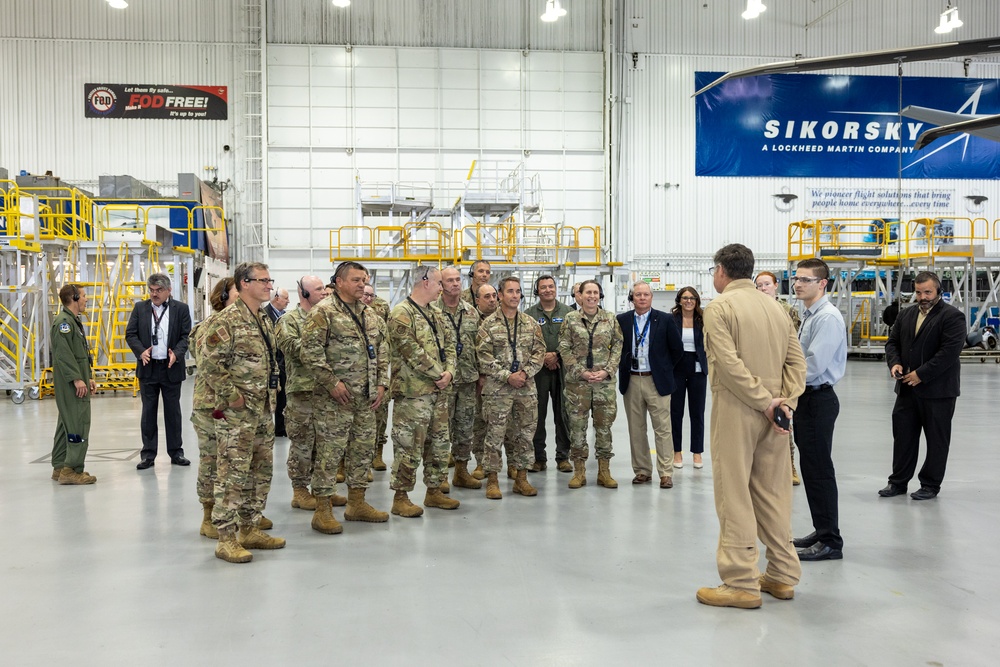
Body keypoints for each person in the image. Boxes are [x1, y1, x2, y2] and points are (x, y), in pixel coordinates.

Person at [696, 244, 806, 609]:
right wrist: (783, 403)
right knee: (773, 492)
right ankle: (782, 574)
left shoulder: (719, 308)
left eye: (714, 270)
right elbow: (796, 363)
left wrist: (763, 401)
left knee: (734, 492)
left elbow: (728, 365)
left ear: (722, 271)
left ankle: (741, 580)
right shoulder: (776, 308)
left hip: (738, 410)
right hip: (776, 417)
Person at [200, 262, 286, 563]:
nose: (268, 285)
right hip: (238, 413)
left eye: (269, 279)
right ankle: (226, 537)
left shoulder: (262, 317)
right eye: (262, 280)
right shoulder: (227, 320)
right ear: (244, 284)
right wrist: (231, 396)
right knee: (232, 473)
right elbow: (209, 363)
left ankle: (250, 528)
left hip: (262, 410)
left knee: (260, 471)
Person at [301, 261, 390, 533]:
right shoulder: (323, 313)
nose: (362, 284)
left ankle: (357, 503)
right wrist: (332, 382)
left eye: (364, 279)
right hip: (334, 400)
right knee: (330, 454)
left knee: (362, 451)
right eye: (355, 280)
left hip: (366, 398)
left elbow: (384, 350)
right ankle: (323, 510)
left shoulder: (370, 314)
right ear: (338, 282)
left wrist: (382, 385)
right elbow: (310, 352)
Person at [191, 277, 274, 539]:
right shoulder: (214, 325)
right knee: (214, 462)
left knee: (244, 462)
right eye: (236, 291)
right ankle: (210, 516)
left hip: (241, 407)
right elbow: (210, 365)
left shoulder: (257, 322)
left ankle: (244, 515)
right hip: (212, 405)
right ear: (224, 296)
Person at [879, 271, 966, 501]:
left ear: (939, 291)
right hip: (907, 389)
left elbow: (948, 353)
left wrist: (921, 374)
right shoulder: (906, 314)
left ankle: (930, 484)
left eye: (928, 292)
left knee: (937, 440)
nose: (923, 297)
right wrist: (895, 363)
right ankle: (898, 482)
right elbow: (893, 343)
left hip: (938, 392)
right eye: (918, 292)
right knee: (903, 437)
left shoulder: (952, 317)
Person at [387, 266, 460, 516]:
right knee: (409, 445)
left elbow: (451, 345)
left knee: (439, 444)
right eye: (440, 283)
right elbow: (411, 351)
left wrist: (450, 371)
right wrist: (440, 373)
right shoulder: (401, 314)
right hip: (413, 393)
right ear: (425, 281)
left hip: (438, 392)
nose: (443, 288)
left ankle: (434, 490)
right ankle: (401, 496)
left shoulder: (436, 314)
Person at [789, 258, 848, 562]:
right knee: (812, 470)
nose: (798, 284)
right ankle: (822, 529)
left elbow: (812, 366)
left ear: (822, 283)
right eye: (796, 278)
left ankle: (830, 542)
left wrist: (781, 383)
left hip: (817, 398)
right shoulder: (810, 314)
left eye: (805, 279)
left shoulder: (827, 318)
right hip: (808, 399)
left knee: (820, 471)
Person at [276, 276, 343, 513]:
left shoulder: (329, 317)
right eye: (318, 290)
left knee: (326, 443)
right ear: (303, 294)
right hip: (302, 391)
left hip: (326, 391)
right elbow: (295, 349)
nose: (325, 293)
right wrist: (321, 344)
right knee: (303, 443)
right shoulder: (288, 320)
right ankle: (300, 490)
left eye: (324, 289)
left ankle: (322, 489)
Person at [476, 276, 546, 499]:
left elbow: (539, 352)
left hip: (525, 389)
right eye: (510, 291)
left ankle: (521, 478)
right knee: (494, 435)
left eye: (518, 291)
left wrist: (524, 374)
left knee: (525, 435)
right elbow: (483, 357)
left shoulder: (530, 323)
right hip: (498, 391)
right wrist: (508, 376)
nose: (515, 295)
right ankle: (493, 480)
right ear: (500, 295)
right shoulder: (488, 325)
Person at [558, 280, 624, 490]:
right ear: (581, 295)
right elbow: (564, 348)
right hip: (578, 385)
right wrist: (582, 372)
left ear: (600, 295)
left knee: (604, 428)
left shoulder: (610, 319)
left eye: (595, 292)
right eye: (588, 292)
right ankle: (579, 472)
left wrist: (607, 371)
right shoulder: (570, 319)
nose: (592, 296)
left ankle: (604, 471)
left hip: (604, 384)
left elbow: (618, 346)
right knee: (577, 429)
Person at [617, 281, 683, 488]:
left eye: (646, 294)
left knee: (663, 428)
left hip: (657, 381)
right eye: (638, 295)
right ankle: (642, 471)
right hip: (632, 379)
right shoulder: (622, 320)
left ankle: (665, 472)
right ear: (632, 298)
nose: (642, 298)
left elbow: (677, 350)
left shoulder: (665, 320)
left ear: (651, 297)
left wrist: (663, 369)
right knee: (636, 429)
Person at [126, 273, 192, 470]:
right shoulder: (140, 308)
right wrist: (140, 352)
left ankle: (176, 452)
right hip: (148, 367)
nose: (154, 294)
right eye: (152, 291)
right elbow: (131, 334)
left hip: (171, 367)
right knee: (148, 413)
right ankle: (148, 454)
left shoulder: (181, 309)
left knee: (173, 412)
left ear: (168, 291)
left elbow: (185, 336)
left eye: (159, 291)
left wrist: (177, 354)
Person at [756, 270, 803, 485]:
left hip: (781, 373)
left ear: (775, 286)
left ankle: (789, 465)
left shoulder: (787, 311)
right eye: (759, 285)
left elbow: (792, 346)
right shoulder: (753, 310)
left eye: (766, 284)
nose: (763, 288)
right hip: (759, 372)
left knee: (783, 420)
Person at [439, 266, 483, 490]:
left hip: (467, 379)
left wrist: (480, 375)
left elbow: (479, 346)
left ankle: (461, 472)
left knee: (465, 428)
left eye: (458, 280)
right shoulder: (432, 311)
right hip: (442, 382)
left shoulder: (471, 312)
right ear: (441, 284)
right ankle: (438, 477)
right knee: (440, 430)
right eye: (450, 280)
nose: (455, 284)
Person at [50, 284, 98, 485]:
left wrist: (87, 377)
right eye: (84, 296)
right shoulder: (64, 324)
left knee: (66, 422)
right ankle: (72, 469)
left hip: (76, 379)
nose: (87, 299)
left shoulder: (72, 321)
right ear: (74, 298)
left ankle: (60, 465)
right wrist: (77, 380)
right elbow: (64, 355)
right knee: (78, 421)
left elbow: (78, 354)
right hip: (71, 382)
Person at [525, 275, 573, 473]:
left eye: (550, 286)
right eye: (543, 287)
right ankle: (539, 458)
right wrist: (543, 357)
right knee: (538, 415)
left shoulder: (569, 313)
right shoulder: (528, 315)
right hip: (538, 372)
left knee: (563, 414)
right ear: (537, 291)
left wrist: (558, 356)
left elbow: (573, 340)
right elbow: (524, 342)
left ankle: (563, 457)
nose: (547, 290)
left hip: (563, 370)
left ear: (556, 288)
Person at [670, 287, 709, 472]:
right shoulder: (672, 319)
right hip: (677, 367)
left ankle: (697, 452)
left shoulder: (703, 319)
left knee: (697, 412)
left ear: (697, 300)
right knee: (676, 412)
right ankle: (676, 451)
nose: (688, 301)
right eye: (685, 298)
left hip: (698, 367)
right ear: (679, 300)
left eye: (692, 298)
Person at [361, 275, 392, 472]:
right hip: (357, 374)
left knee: (380, 413)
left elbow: (386, 342)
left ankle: (378, 453)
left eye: (371, 295)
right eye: (365, 295)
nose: (368, 299)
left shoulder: (381, 310)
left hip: (378, 372)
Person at [470, 282, 499, 479]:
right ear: (477, 300)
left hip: (503, 379)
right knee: (480, 422)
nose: (491, 300)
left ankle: (511, 462)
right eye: (486, 297)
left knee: (507, 423)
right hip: (480, 380)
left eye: (494, 296)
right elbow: (470, 350)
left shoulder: (506, 317)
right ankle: (481, 462)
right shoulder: (470, 320)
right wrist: (480, 374)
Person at [263, 288, 289, 437]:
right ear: (277, 298)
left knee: (283, 396)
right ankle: (277, 428)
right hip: (273, 361)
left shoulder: (285, 315)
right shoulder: (265, 314)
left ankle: (282, 427)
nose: (288, 301)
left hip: (283, 362)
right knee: (276, 397)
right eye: (285, 298)